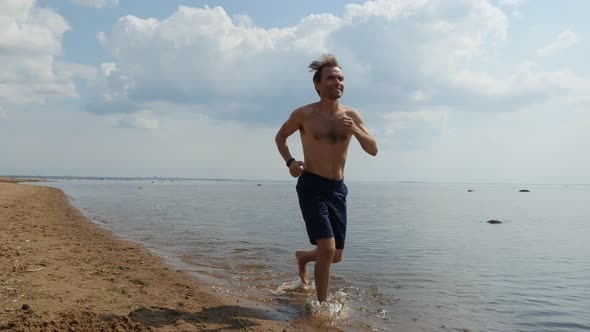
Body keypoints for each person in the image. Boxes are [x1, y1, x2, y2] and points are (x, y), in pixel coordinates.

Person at [275, 54, 378, 303]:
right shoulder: (304, 114)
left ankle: (303, 257)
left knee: (335, 255)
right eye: (331, 78)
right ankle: (322, 308)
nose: (337, 82)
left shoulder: (352, 115)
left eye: (341, 78)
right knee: (327, 248)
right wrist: (290, 162)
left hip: (337, 188)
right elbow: (280, 137)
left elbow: (373, 149)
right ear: (318, 85)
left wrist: (354, 129)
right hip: (312, 185)